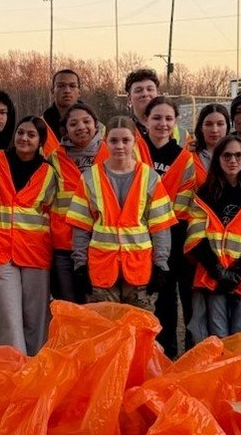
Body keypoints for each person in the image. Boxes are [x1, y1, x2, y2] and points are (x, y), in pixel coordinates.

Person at [68, 117, 175, 311]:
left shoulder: (150, 177)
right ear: (105, 141)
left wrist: (161, 265)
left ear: (135, 141)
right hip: (101, 271)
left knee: (139, 333)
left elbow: (160, 227)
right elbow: (81, 226)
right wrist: (80, 265)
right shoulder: (90, 177)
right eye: (114, 140)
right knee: (106, 333)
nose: (119, 146)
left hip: (140, 271)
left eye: (125, 140)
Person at [184, 135, 241, 338]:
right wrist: (218, 271)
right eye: (226, 155)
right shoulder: (205, 194)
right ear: (217, 159)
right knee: (217, 335)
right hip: (213, 274)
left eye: (238, 155)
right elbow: (196, 238)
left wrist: (236, 272)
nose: (232, 160)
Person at [0, 116, 58, 355]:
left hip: (35, 253)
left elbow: (54, 210)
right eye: (20, 132)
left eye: (31, 135)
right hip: (0, 250)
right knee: (7, 314)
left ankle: (36, 367)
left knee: (37, 315)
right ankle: (13, 368)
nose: (24, 138)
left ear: (40, 141)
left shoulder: (49, 172)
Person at [142, 97, 199, 357]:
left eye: (168, 119)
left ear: (175, 123)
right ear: (146, 120)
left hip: (177, 235)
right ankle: (159, 354)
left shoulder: (184, 158)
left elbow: (185, 201)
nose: (162, 124)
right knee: (159, 300)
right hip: (142, 237)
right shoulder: (137, 152)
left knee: (184, 298)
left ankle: (184, 355)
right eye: (156, 118)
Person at [47, 102, 108, 303]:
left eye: (86, 121)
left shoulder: (110, 154)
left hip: (102, 245)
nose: (81, 127)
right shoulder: (54, 158)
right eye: (73, 124)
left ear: (96, 124)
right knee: (70, 307)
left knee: (99, 310)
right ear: (66, 129)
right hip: (65, 246)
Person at [41, 68, 82, 154]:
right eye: (61, 86)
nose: (67, 91)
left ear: (79, 92)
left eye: (72, 86)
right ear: (52, 91)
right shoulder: (39, 127)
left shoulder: (98, 128)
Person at [189, 102, 231, 185]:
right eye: (208, 124)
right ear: (201, 128)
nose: (214, 130)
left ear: (227, 127)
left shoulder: (238, 155)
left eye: (220, 124)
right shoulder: (189, 155)